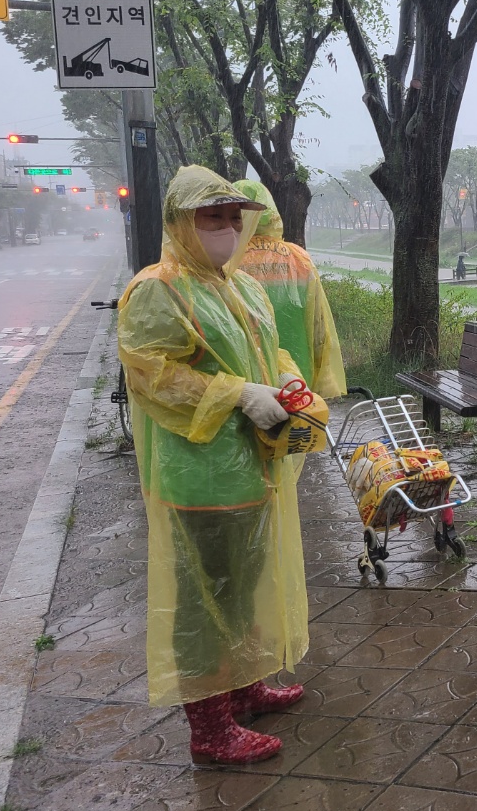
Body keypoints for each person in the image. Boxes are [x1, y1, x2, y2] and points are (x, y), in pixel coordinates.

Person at [118, 165, 310, 764]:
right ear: (182, 222)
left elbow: (266, 345)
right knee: (205, 601)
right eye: (213, 217)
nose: (227, 228)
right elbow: (150, 373)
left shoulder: (240, 284)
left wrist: (285, 376)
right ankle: (210, 728)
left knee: (245, 585)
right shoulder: (159, 287)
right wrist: (236, 394)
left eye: (234, 217)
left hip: (252, 464)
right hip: (199, 472)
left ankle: (246, 687)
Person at [230, 179, 346, 400]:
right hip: (300, 376)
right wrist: (325, 379)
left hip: (245, 379)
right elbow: (320, 326)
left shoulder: (225, 258)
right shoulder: (298, 258)